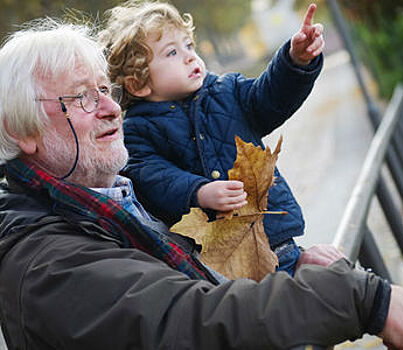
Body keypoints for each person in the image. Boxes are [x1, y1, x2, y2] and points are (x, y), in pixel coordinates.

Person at [0, 17, 403, 350]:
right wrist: (365, 298)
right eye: (82, 96)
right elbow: (196, 319)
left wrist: (295, 62)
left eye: (104, 90)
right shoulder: (46, 264)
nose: (110, 108)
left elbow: (265, 97)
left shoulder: (107, 199)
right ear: (19, 129)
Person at [99, 1, 326, 276]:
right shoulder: (137, 131)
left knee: (315, 296)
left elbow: (269, 96)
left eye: (189, 46)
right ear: (139, 83)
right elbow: (151, 177)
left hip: (274, 241)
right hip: (219, 265)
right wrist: (197, 191)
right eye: (172, 52)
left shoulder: (227, 91)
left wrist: (294, 61)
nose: (190, 56)